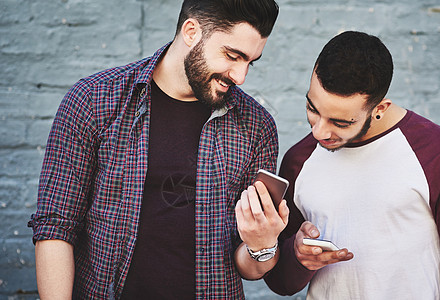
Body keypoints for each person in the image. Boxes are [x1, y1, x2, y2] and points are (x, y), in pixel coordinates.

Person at [27, 0, 289, 299]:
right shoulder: (93, 101)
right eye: (232, 55)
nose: (240, 76)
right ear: (191, 31)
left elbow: (248, 268)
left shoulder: (257, 125)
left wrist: (262, 245)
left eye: (250, 62)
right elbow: (56, 227)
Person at [262, 31, 440, 299]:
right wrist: (299, 258)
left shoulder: (431, 150)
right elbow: (280, 283)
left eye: (340, 122)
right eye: (313, 109)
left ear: (380, 108)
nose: (319, 132)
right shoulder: (299, 161)